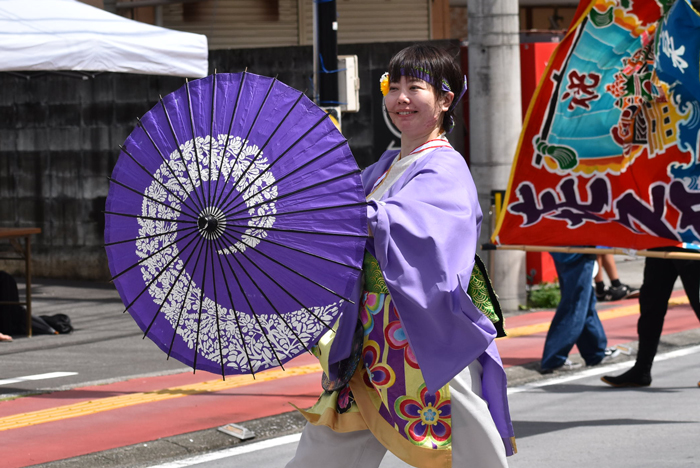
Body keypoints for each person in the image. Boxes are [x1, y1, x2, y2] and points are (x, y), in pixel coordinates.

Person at [286, 44, 515, 468]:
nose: (401, 99)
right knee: (326, 449)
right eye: (395, 87)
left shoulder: (445, 168)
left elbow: (401, 222)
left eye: (416, 87)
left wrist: (346, 213)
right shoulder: (388, 165)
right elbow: (347, 210)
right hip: (371, 332)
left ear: (446, 100)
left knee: (470, 449)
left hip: (425, 334)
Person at [602, 249, 700, 387]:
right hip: (660, 239)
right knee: (651, 304)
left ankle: (642, 369)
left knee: (698, 300)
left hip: (691, 241)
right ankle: (642, 369)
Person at [540, 253, 618, 373]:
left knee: (585, 301)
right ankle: (554, 358)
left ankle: (595, 352)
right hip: (577, 251)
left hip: (569, 249)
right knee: (576, 304)